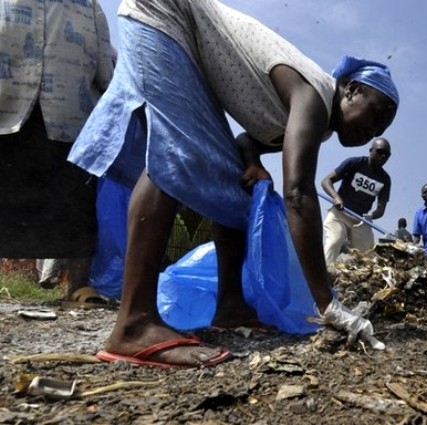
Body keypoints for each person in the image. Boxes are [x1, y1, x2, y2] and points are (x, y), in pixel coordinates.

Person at [68, 0, 398, 367]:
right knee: (179, 154)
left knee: (231, 185)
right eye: (377, 112)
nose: (376, 129)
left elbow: (246, 142)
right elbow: (298, 194)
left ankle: (230, 305)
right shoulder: (315, 95)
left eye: (384, 127)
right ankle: (133, 324)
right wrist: (327, 303)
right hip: (164, 13)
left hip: (184, 41)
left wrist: (253, 163)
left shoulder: (316, 126)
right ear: (350, 89)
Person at [0, 0, 114, 303]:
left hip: (69, 118)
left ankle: (78, 285)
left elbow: (106, 70)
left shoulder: (88, 6)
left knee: (76, 200)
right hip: (6, 109)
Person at [321, 137, 392, 264]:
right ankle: (323, 280)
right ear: (371, 150)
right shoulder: (354, 163)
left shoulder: (385, 179)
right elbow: (326, 181)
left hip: (361, 220)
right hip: (339, 214)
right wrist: (336, 197)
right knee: (334, 242)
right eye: (380, 152)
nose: (383, 156)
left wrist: (371, 216)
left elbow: (381, 209)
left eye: (386, 155)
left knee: (369, 257)